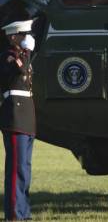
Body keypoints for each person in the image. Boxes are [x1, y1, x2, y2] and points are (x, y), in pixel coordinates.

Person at [0, 20, 36, 221]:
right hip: (14, 116)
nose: (27, 38)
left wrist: (27, 54)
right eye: (23, 34)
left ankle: (23, 211)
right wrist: (28, 53)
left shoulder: (22, 56)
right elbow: (20, 71)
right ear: (13, 36)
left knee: (25, 168)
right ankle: (14, 214)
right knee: (16, 169)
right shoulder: (7, 57)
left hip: (27, 118)